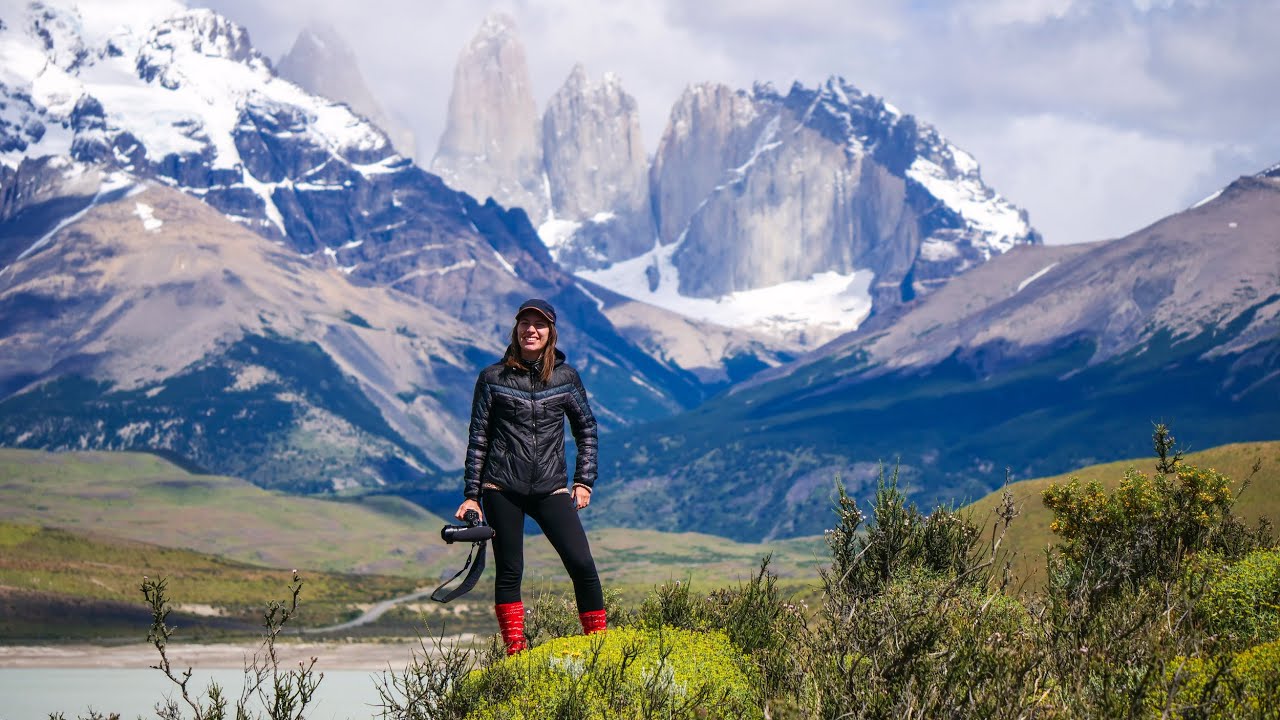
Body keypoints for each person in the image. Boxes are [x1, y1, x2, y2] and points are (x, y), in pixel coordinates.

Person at [454, 298, 604, 655]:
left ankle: (600, 645)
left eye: (539, 324)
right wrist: (472, 494)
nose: (531, 330)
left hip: (551, 487)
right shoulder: (492, 378)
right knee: (510, 571)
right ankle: (516, 653)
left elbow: (587, 430)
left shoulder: (566, 378)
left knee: (582, 564)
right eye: (525, 323)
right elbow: (478, 438)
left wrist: (584, 481)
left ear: (551, 332)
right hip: (501, 486)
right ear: (516, 329)